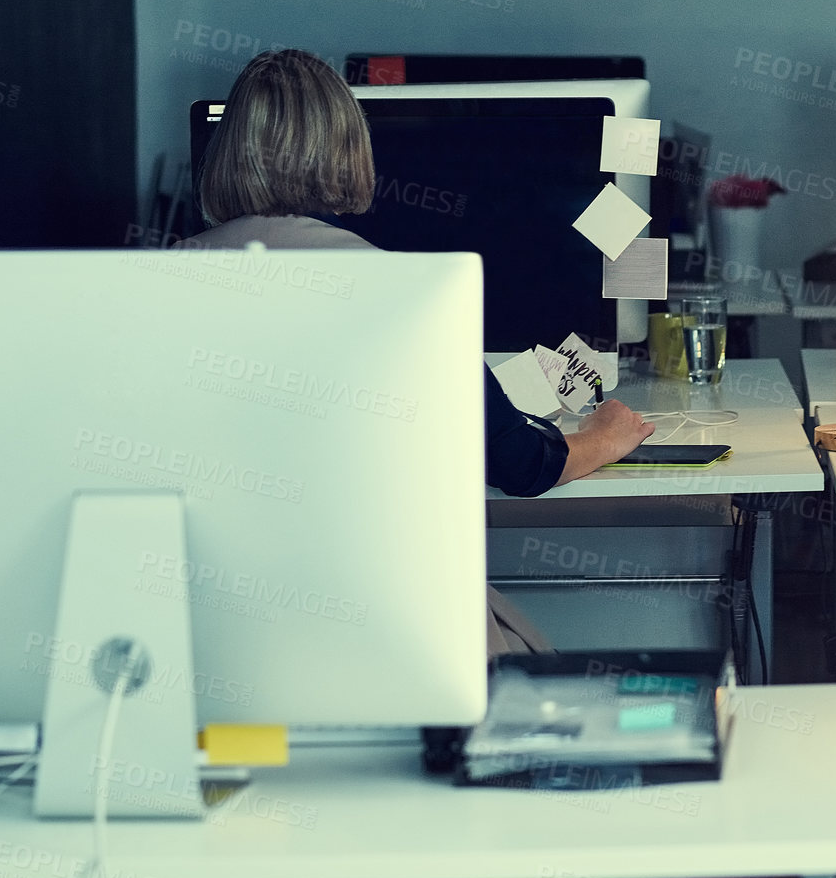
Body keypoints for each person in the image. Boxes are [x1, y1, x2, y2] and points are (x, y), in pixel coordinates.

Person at [185, 48, 652, 651]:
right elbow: (520, 465)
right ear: (348, 149)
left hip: (218, 630)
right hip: (388, 629)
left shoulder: (151, 279)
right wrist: (606, 434)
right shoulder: (411, 292)